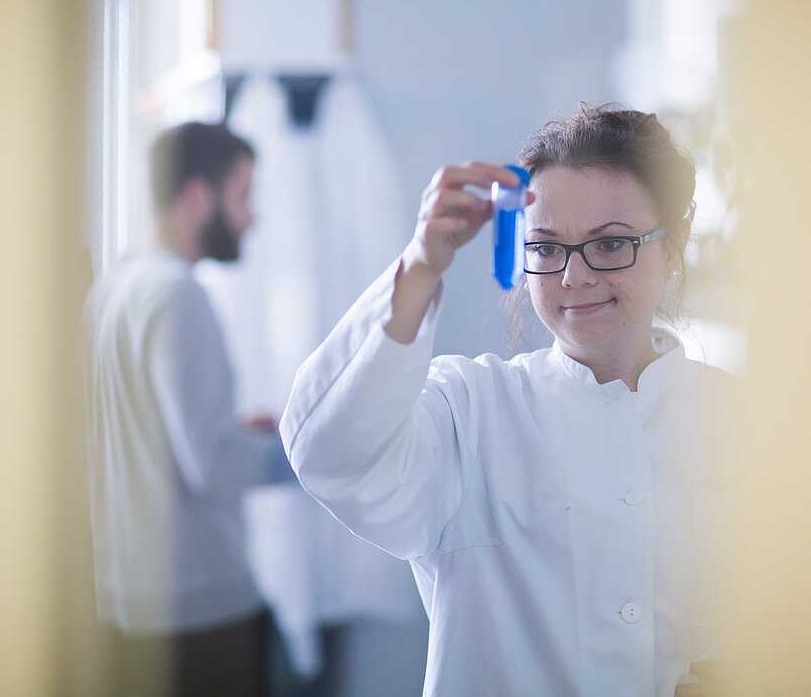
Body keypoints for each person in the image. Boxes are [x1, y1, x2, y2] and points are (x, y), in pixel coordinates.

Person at [280, 105, 736, 696]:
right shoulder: (469, 409)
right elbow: (330, 455)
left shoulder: (747, 422)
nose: (573, 277)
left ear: (672, 249)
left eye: (611, 244)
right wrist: (421, 264)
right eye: (546, 248)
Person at [84, 121, 281, 696]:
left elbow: (136, 433)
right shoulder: (178, 296)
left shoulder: (115, 288)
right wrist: (308, 447)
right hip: (198, 615)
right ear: (198, 196)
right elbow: (215, 467)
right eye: (244, 196)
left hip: (126, 605)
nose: (252, 217)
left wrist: (234, 430)